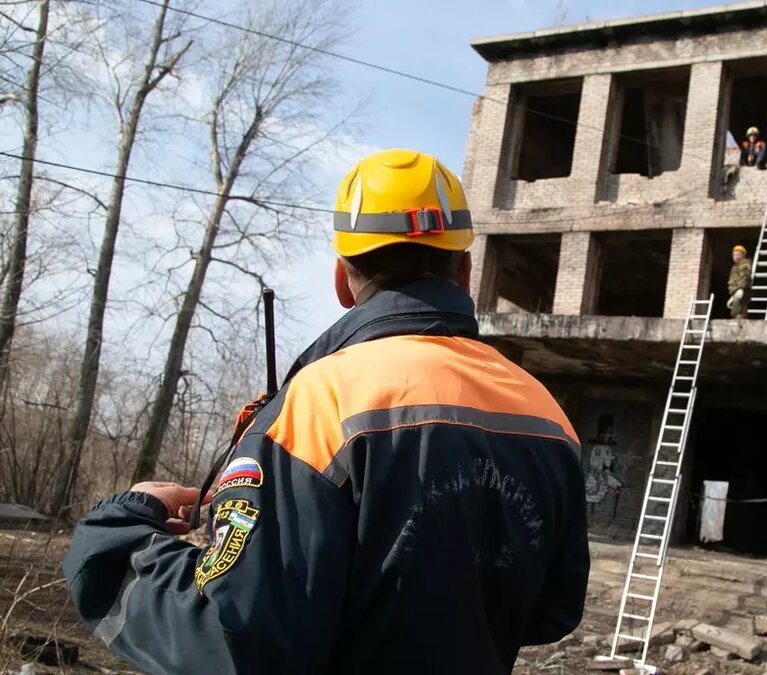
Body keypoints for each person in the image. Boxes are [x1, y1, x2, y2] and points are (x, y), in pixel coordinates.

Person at [63, 149, 590, 674]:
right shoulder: (547, 415)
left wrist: (119, 533)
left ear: (342, 279)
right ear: (466, 270)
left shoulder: (321, 405)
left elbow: (235, 637)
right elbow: (551, 610)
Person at [726, 244, 752, 319]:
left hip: (742, 291)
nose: (736, 256)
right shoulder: (735, 266)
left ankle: (740, 326)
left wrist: (741, 289)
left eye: (738, 254)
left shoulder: (744, 264)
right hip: (736, 291)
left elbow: (745, 277)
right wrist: (733, 295)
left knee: (738, 311)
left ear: (743, 255)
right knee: (736, 311)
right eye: (734, 254)